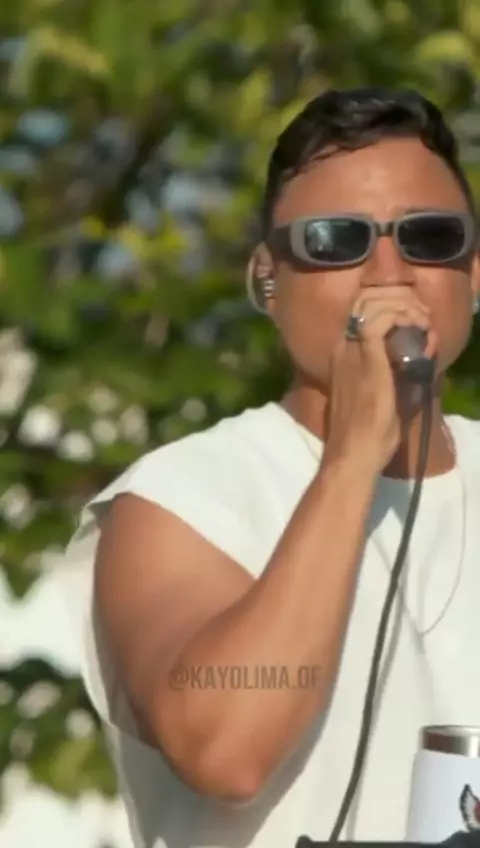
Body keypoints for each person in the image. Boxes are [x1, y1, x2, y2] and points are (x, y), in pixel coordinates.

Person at [61, 87, 480, 847]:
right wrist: (353, 458)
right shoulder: (178, 500)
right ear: (268, 280)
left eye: (429, 236)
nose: (389, 271)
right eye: (335, 240)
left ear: (473, 275)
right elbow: (225, 750)